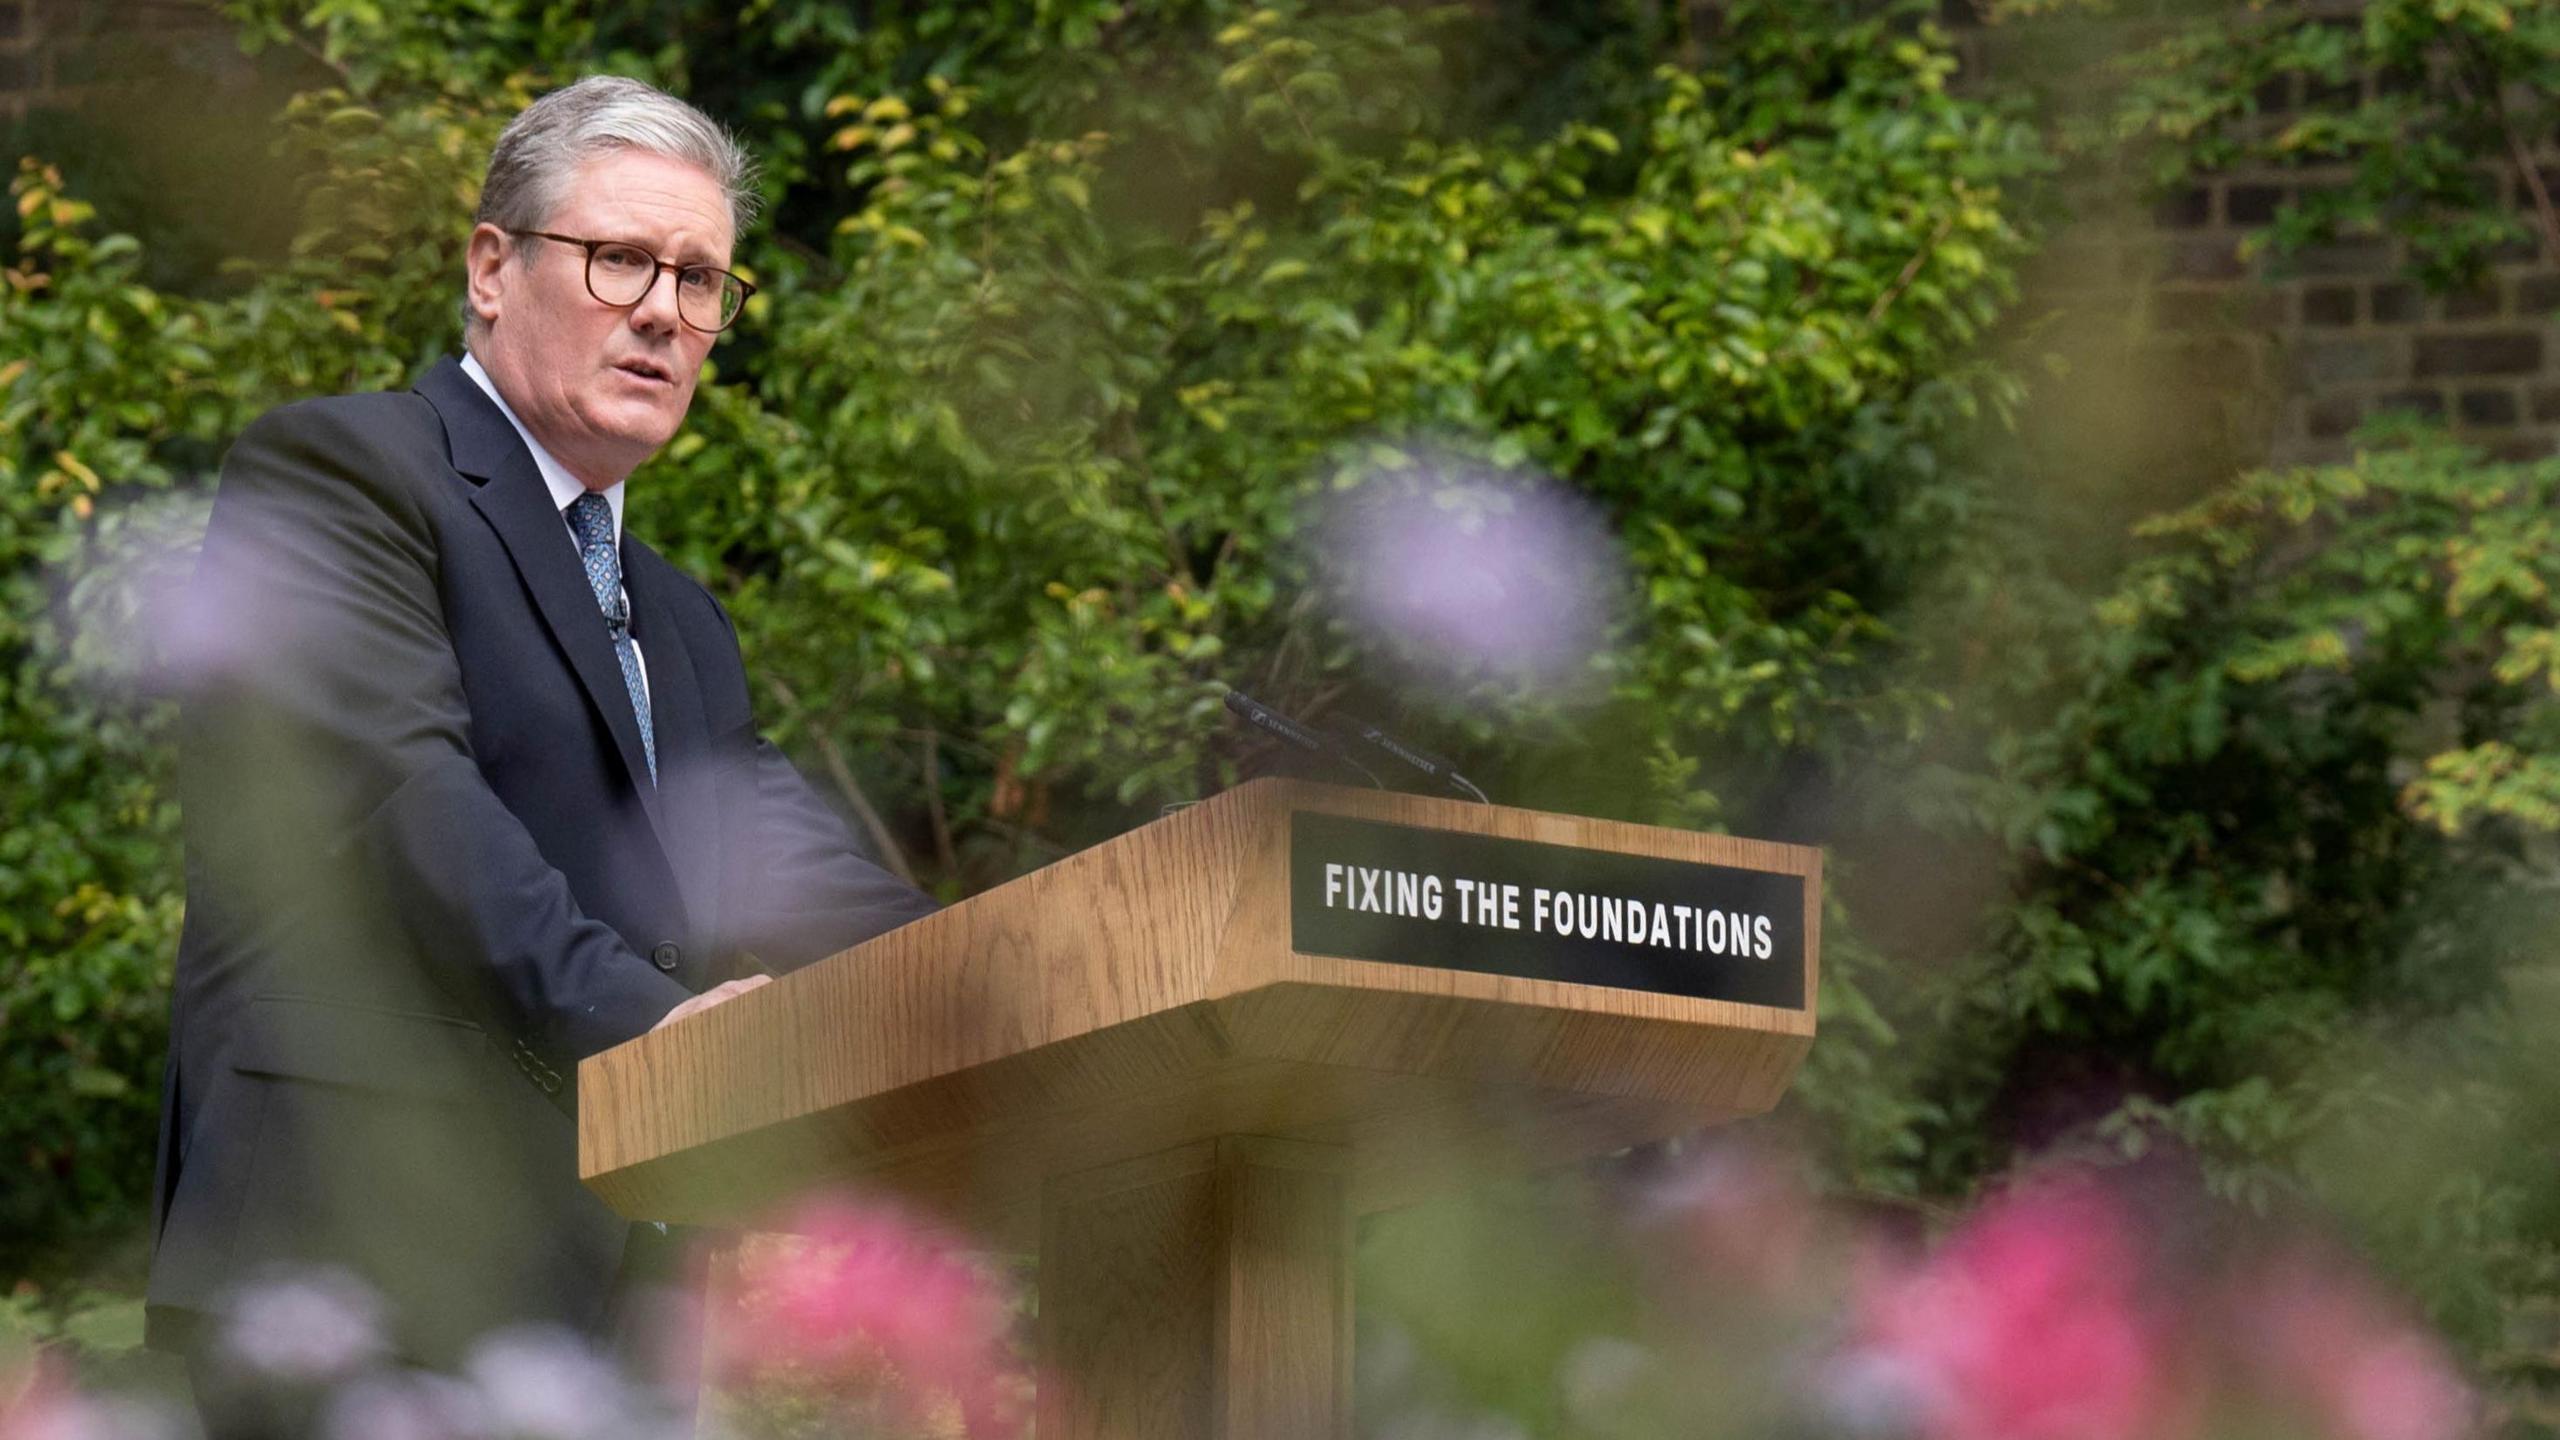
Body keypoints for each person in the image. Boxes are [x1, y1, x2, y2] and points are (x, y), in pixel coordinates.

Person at [142, 74, 936, 1427]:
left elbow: (786, 865)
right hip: (343, 1260)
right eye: (623, 257)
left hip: (583, 1309)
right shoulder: (339, 473)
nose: (664, 312)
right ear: (492, 266)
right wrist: (657, 1035)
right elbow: (404, 798)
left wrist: (1002, 982)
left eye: (702, 281)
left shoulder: (682, 623)